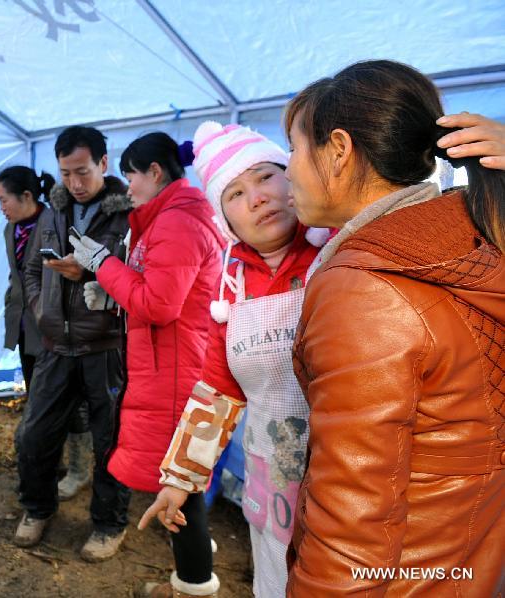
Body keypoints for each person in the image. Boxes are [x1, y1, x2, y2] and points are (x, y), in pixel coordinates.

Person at [283, 60, 504, 595]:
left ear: (339, 149)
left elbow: (352, 517)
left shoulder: (363, 287)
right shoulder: (466, 236)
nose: (287, 168)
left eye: (292, 147)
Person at [137, 123, 330, 597]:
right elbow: (218, 391)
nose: (258, 198)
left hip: (347, 478)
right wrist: (180, 479)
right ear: (226, 220)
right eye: (236, 193)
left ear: (294, 177)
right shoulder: (233, 290)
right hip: (275, 481)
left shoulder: (341, 253)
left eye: (266, 177)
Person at [70, 132, 224, 596]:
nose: (128, 186)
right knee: (181, 479)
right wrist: (112, 291)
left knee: (184, 482)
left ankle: (193, 584)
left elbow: (160, 305)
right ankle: (194, 571)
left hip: (178, 371)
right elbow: (155, 289)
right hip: (169, 366)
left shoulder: (177, 222)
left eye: (132, 175)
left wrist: (100, 264)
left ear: (154, 172)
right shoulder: (164, 219)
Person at [15, 125, 132, 561]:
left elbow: (138, 281)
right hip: (55, 346)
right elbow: (30, 270)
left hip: (105, 348)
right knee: (33, 436)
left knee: (111, 443)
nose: (75, 184)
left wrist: (89, 276)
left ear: (104, 163)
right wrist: (40, 308)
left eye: (82, 171)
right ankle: (37, 508)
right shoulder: (52, 213)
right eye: (65, 174)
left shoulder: (127, 215)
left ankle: (108, 523)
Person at [0, 165, 93, 501]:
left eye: (4, 199)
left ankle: (80, 469)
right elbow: (17, 277)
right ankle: (48, 462)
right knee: (38, 399)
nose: (1, 207)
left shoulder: (57, 223)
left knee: (71, 399)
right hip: (26, 327)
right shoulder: (12, 229)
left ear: (26, 196)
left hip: (58, 327)